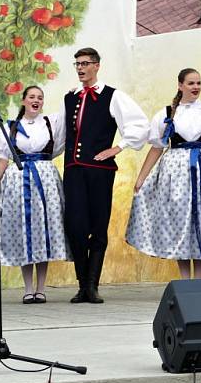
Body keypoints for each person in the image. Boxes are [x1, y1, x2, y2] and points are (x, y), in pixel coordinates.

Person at [126, 68, 201, 278]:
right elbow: (157, 146)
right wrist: (141, 178)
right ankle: (185, 279)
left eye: (198, 83)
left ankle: (199, 279)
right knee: (179, 219)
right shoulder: (166, 113)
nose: (196, 87)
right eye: (191, 83)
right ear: (180, 85)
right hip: (175, 171)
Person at [62, 47, 149, 303]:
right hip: (74, 171)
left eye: (85, 63)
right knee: (76, 227)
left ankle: (92, 285)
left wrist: (118, 146)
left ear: (97, 66)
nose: (80, 68)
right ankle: (81, 283)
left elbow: (138, 125)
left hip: (100, 172)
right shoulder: (70, 98)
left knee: (98, 227)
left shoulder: (112, 96)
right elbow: (60, 134)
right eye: (77, 64)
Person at [0, 85, 70, 303]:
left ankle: (41, 287)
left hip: (45, 181)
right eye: (32, 97)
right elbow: (1, 162)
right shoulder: (11, 128)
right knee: (25, 233)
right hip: (19, 181)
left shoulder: (50, 124)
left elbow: (64, 132)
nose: (36, 100)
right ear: (24, 100)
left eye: (40, 97)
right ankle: (28, 288)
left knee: (42, 232)